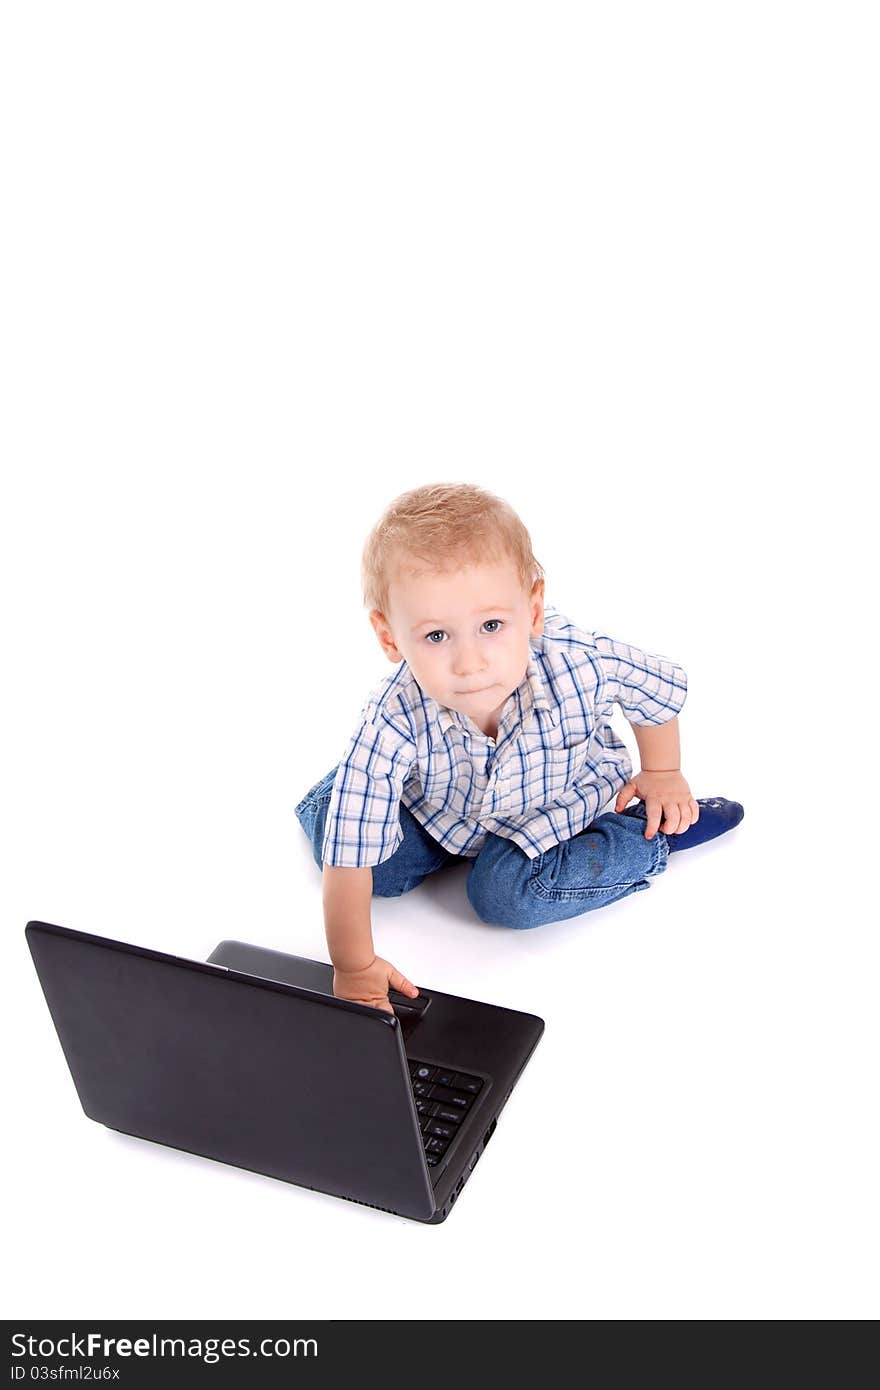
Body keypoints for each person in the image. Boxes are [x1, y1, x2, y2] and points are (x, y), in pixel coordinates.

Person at [296, 483, 743, 1013]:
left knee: (503, 896)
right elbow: (349, 861)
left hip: (553, 802)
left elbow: (655, 692)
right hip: (445, 807)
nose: (470, 663)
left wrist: (664, 771)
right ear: (390, 637)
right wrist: (353, 966)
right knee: (363, 861)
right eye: (437, 636)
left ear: (532, 610)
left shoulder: (576, 660)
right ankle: (360, 785)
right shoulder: (393, 716)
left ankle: (649, 841)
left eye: (490, 626)